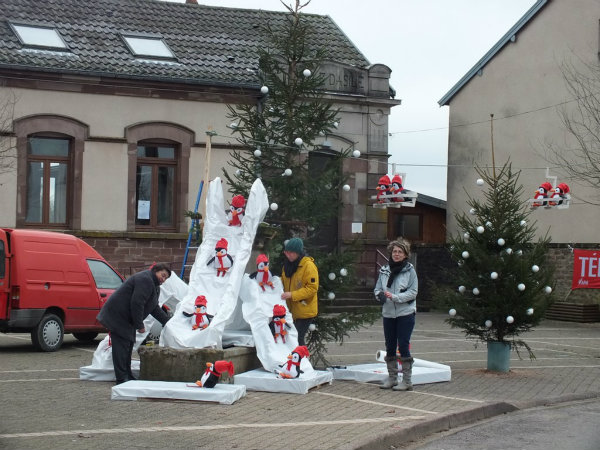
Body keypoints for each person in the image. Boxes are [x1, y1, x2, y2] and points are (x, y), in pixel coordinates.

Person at [97, 263, 172, 384]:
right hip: (118, 316)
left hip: (126, 317)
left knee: (128, 346)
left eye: (165, 278)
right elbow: (137, 303)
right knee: (121, 348)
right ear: (155, 271)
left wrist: (168, 322)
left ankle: (128, 375)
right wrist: (140, 325)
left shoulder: (154, 284)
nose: (163, 279)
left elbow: (154, 308)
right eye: (162, 275)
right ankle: (121, 378)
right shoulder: (145, 279)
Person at [374, 238, 418, 391]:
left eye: (400, 252)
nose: (397, 254)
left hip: (405, 313)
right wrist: (379, 295)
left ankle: (407, 381)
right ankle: (392, 378)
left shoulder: (410, 270)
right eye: (394, 251)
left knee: (403, 345)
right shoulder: (384, 270)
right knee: (390, 345)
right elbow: (377, 288)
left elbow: (413, 292)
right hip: (388, 313)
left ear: (406, 255)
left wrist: (396, 297)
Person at [280, 237, 319, 346]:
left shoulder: (308, 266)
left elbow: (312, 288)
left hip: (305, 310)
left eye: (291, 253)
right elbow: (283, 281)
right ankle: (299, 360)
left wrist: (292, 295)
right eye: (286, 252)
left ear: (298, 252)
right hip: (292, 311)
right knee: (293, 338)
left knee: (297, 337)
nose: (288, 255)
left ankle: (302, 361)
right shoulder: (287, 266)